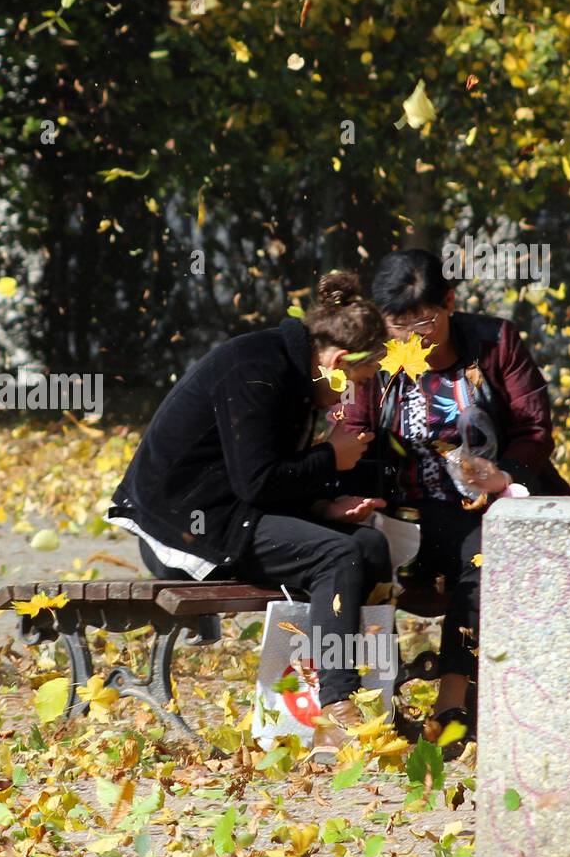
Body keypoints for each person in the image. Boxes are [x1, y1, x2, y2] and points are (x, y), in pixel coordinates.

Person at [106, 271, 392, 757]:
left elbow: (261, 480)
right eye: (358, 382)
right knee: (337, 556)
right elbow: (257, 481)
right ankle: (336, 706)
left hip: (231, 509)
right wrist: (330, 458)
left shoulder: (296, 368)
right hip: (184, 532)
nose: (352, 397)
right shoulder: (256, 369)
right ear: (339, 362)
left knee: (367, 544)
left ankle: (374, 691)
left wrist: (324, 505)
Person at [341, 248, 570, 758]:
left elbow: (535, 429)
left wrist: (502, 473)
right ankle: (363, 704)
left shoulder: (493, 342)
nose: (410, 337)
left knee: (483, 556)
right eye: (396, 325)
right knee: (353, 555)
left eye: (422, 322)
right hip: (405, 510)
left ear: (449, 303)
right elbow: (353, 430)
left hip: (484, 507)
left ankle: (452, 705)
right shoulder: (379, 355)